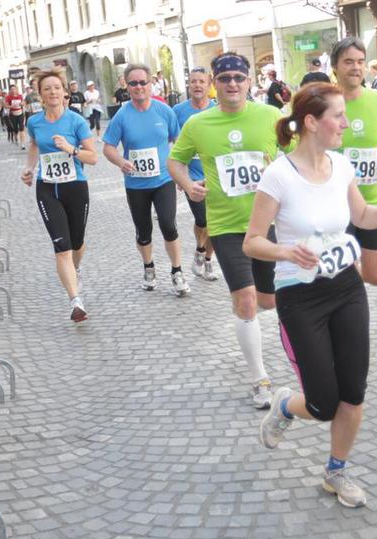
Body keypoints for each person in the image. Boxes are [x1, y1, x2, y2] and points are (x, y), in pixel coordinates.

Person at [244, 82, 377, 508]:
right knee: (323, 403)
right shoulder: (279, 176)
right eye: (338, 116)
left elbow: (360, 214)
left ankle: (336, 471)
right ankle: (285, 406)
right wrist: (286, 250)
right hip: (300, 296)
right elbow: (252, 242)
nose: (346, 123)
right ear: (311, 122)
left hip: (346, 288)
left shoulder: (341, 166)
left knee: (353, 391)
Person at [168, 52, 283, 409]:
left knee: (268, 301)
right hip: (226, 226)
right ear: (214, 84)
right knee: (246, 301)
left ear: (249, 81)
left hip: (267, 223)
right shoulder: (198, 124)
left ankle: (256, 323)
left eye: (238, 77)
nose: (232, 84)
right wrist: (188, 184)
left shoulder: (271, 116)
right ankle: (259, 379)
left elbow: (300, 151)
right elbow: (175, 160)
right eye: (224, 78)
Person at [102, 64, 191, 296]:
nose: (139, 87)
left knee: (168, 225)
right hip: (136, 184)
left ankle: (177, 271)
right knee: (143, 231)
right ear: (127, 86)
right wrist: (121, 161)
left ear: (150, 84)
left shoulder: (164, 111)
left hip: (163, 180)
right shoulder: (122, 116)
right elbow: (108, 147)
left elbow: (179, 144)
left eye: (143, 82)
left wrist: (181, 176)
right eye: (133, 83)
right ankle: (148, 267)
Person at [22, 67, 99, 322]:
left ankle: (75, 269)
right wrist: (29, 168)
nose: (52, 92)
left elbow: (93, 157)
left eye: (57, 87)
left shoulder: (76, 121)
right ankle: (75, 301)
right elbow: (34, 144)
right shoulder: (34, 122)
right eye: (47, 89)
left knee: (77, 242)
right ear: (40, 95)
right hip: (47, 188)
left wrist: (71, 149)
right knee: (62, 247)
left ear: (64, 91)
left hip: (75, 186)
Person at [332, 37, 377, 286]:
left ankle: (349, 279)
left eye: (360, 62)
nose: (356, 67)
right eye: (348, 62)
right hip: (335, 204)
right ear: (335, 66)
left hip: (373, 202)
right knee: (342, 274)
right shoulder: (323, 102)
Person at [172, 67, 219, 281]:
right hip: (192, 177)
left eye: (201, 81)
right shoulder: (178, 111)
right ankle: (201, 250)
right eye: (193, 81)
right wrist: (178, 175)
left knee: (216, 222)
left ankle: (206, 258)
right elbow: (173, 144)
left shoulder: (218, 109)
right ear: (189, 85)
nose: (197, 85)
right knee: (202, 219)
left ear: (209, 85)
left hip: (216, 176)